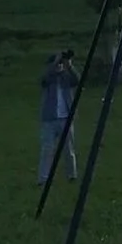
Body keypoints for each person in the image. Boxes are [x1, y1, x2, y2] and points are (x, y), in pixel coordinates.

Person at [38, 50, 79, 185]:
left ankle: (72, 175)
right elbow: (43, 79)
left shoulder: (66, 77)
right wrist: (54, 63)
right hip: (49, 119)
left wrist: (69, 65)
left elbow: (77, 80)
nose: (59, 66)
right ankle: (44, 178)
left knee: (69, 149)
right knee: (47, 149)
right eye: (57, 64)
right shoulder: (49, 78)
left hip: (66, 118)